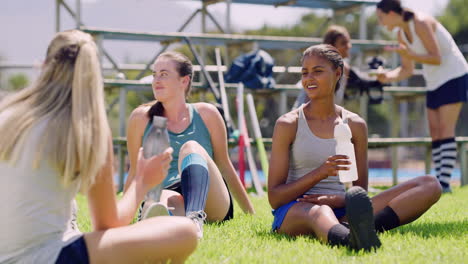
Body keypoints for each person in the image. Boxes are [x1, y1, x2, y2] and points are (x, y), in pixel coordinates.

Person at [0, 30, 198, 264]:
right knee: (184, 231)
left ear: (44, 66)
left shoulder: (8, 114)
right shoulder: (86, 128)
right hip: (49, 257)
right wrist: (141, 181)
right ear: (94, 78)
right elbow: (108, 225)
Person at [268, 44, 442, 251]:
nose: (309, 79)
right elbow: (275, 197)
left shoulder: (355, 124)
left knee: (430, 184)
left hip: (342, 209)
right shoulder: (288, 123)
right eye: (305, 73)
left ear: (338, 73)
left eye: (318, 71)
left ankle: (355, 229)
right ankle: (350, 240)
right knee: (320, 211)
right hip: (296, 210)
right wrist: (320, 173)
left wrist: (337, 199)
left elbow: (360, 192)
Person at [124, 51, 255, 238]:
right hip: (169, 192)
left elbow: (225, 166)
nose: (156, 80)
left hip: (212, 197)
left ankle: (195, 220)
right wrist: (121, 218)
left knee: (190, 147)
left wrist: (250, 212)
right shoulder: (140, 117)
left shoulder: (207, 113)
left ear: (184, 81)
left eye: (164, 74)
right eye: (154, 75)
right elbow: (135, 171)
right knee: (157, 203)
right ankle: (160, 221)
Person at [375, 0, 468, 192]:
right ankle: (439, 181)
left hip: (454, 75)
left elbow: (436, 57)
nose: (381, 22)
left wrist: (409, 53)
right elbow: (407, 70)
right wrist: (387, 76)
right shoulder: (401, 33)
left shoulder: (421, 22)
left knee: (445, 129)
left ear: (392, 13)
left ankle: (444, 183)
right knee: (435, 131)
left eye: (381, 17)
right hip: (433, 80)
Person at [293, 25, 382, 108]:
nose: (348, 46)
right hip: (307, 119)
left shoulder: (343, 67)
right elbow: (311, 102)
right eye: (343, 43)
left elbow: (362, 79)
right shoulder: (321, 67)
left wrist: (379, 76)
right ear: (331, 46)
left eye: (348, 42)